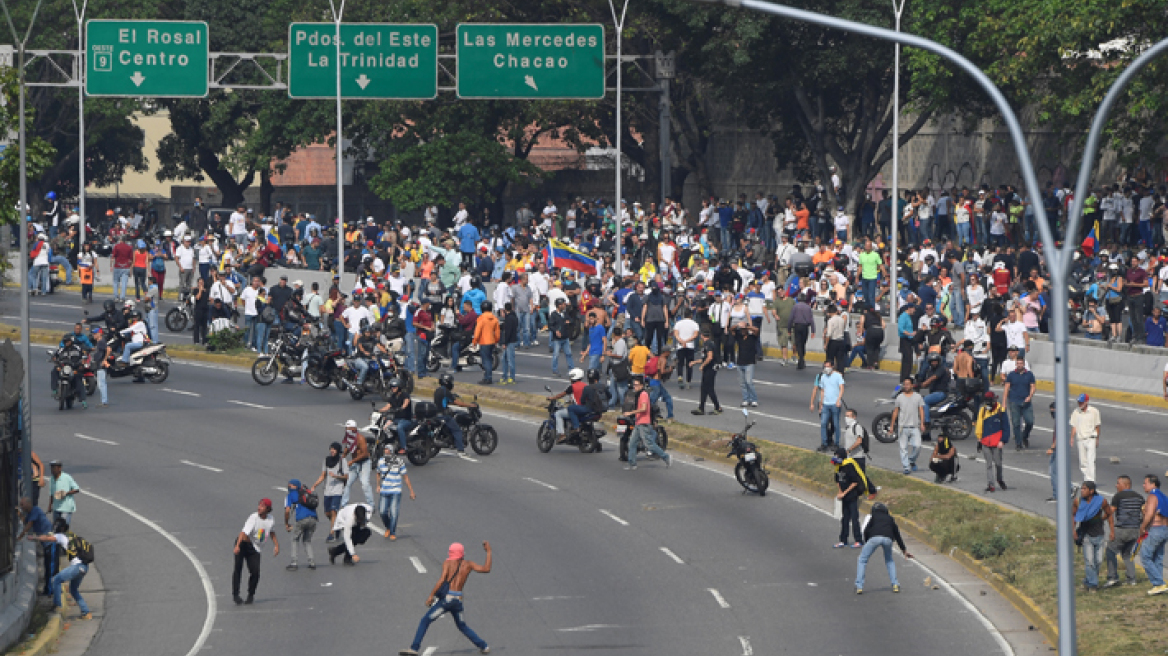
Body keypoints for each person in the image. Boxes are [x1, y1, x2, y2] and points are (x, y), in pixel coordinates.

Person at [401, 541, 492, 655]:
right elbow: (486, 569)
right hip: (458, 601)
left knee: (425, 621)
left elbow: (442, 580)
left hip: (446, 600)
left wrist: (431, 596)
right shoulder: (468, 564)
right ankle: (484, 646)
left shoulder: (448, 563)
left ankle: (414, 648)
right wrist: (488, 552)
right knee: (462, 626)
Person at [27, 518, 93, 619]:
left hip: (77, 567)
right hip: (84, 567)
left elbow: (48, 538)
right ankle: (86, 613)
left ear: (59, 527)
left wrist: (34, 537)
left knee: (56, 580)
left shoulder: (61, 536)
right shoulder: (72, 535)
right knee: (73, 590)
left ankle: (58, 606)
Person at [855, 503, 913, 595]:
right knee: (889, 560)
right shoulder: (890, 519)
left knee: (862, 559)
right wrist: (904, 550)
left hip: (874, 538)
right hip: (888, 539)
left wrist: (867, 542)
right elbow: (897, 534)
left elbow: (866, 530)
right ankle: (895, 584)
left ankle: (859, 586)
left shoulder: (873, 517)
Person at [232, 498, 279, 605]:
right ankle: (236, 595)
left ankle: (251, 594)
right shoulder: (253, 517)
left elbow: (272, 532)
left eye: (262, 506)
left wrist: (276, 545)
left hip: (255, 548)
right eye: (259, 505)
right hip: (243, 544)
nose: (259, 508)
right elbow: (243, 532)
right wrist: (237, 546)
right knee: (238, 569)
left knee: (255, 572)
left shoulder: (270, 519)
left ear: (267, 509)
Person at [624, 376, 672, 471]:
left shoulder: (644, 394)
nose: (635, 387)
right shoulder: (637, 394)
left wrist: (631, 412)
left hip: (644, 423)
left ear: (642, 385)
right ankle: (632, 463)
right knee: (632, 443)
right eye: (634, 385)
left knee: (649, 444)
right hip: (638, 422)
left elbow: (644, 408)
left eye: (637, 385)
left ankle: (666, 457)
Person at [1105, 475, 1144, 588]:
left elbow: (1110, 511)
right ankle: (1132, 579)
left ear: (1125, 485)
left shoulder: (1118, 496)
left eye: (1118, 483)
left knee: (1110, 551)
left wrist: (1100, 519)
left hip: (1122, 529)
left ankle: (1112, 578)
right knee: (1127, 554)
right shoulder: (1140, 497)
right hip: (1135, 530)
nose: (1116, 485)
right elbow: (1144, 512)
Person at [1073, 481, 1112, 592]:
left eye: (1084, 489)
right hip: (1086, 536)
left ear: (1091, 491)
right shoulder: (1078, 501)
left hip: (1099, 534)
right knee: (1089, 561)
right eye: (1081, 488)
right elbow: (1073, 515)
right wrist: (1073, 530)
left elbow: (1109, 513)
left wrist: (1111, 530)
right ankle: (1093, 585)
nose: (1082, 491)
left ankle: (1087, 581)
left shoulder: (1101, 501)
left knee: (1098, 561)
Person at [832, 447, 874, 548]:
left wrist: (844, 492)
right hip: (845, 497)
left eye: (837, 456)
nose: (835, 458)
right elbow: (837, 480)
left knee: (854, 518)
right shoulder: (838, 466)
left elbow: (855, 482)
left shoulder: (849, 466)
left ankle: (858, 540)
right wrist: (840, 491)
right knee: (844, 519)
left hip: (852, 496)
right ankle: (843, 540)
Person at [309, 442, 348, 536]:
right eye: (331, 449)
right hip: (327, 490)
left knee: (333, 511)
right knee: (327, 513)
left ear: (338, 450)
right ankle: (337, 525)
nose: (332, 451)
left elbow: (346, 476)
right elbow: (323, 475)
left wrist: (336, 476)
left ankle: (332, 533)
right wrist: (315, 485)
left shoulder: (342, 461)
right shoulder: (326, 460)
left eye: (334, 449)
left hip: (338, 490)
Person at [975, 391, 1011, 493]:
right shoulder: (983, 411)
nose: (988, 405)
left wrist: (1003, 441)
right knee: (989, 464)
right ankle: (991, 484)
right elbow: (979, 426)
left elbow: (1006, 427)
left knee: (998, 463)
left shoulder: (1001, 411)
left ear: (994, 400)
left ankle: (999, 479)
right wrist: (979, 440)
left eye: (989, 402)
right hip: (985, 442)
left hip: (997, 443)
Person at [375, 451, 415, 540]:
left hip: (396, 491)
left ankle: (392, 532)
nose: (386, 452)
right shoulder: (381, 461)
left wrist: (411, 491)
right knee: (382, 511)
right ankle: (388, 527)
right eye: (385, 450)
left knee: (394, 512)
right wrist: (378, 485)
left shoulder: (399, 461)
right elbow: (378, 473)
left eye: (388, 450)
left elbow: (405, 477)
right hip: (384, 490)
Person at [890, 378, 925, 475]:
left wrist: (922, 423)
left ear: (912, 385)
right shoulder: (899, 397)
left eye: (908, 384)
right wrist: (892, 426)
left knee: (917, 446)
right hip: (902, 427)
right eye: (905, 384)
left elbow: (921, 410)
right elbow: (895, 412)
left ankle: (911, 460)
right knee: (903, 448)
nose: (906, 386)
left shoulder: (918, 397)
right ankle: (906, 467)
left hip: (914, 426)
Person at [435, 373, 476, 454]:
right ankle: (460, 450)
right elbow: (458, 403)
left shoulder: (438, 390)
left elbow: (446, 401)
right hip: (444, 415)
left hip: (437, 413)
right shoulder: (446, 391)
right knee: (457, 431)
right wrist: (470, 405)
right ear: (447, 382)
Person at [1141, 474, 1168, 595]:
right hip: (1165, 528)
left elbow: (1150, 514)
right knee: (1158, 557)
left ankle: (1158, 583)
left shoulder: (1152, 496)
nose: (1143, 485)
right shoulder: (1163, 496)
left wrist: (1143, 527)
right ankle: (1159, 586)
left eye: (1145, 483)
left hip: (1156, 528)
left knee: (1145, 556)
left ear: (1152, 484)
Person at [1002, 355, 1035, 450]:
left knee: (1030, 422)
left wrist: (1030, 396)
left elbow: (1033, 386)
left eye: (1021, 363)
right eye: (1018, 363)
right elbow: (1006, 389)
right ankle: (1018, 443)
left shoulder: (1029, 374)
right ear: (1016, 364)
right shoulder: (1011, 375)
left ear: (1024, 364)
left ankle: (1024, 436)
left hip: (1026, 402)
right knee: (1016, 423)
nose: (1019, 365)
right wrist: (1004, 403)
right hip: (1014, 401)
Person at [283, 480, 317, 571]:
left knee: (295, 539)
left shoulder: (290, 495)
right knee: (307, 540)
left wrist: (286, 523)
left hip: (302, 519)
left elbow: (287, 511)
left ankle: (294, 563)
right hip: (313, 519)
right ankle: (312, 562)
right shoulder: (305, 493)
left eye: (290, 485)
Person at [811, 361, 845, 452]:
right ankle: (824, 443)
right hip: (825, 404)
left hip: (835, 404)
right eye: (825, 366)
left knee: (836, 424)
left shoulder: (838, 376)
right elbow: (822, 390)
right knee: (823, 423)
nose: (826, 368)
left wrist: (838, 400)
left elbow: (842, 388)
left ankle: (836, 444)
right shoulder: (823, 377)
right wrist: (821, 404)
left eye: (828, 366)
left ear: (832, 366)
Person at [1069, 393, 1102, 484]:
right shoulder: (1076, 412)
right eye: (1079, 402)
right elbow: (1074, 426)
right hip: (1080, 439)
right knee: (1083, 462)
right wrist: (1071, 438)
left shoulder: (1094, 411)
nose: (1080, 404)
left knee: (1090, 460)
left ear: (1086, 402)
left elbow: (1097, 426)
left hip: (1091, 438)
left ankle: (1091, 481)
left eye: (1081, 402)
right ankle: (1087, 478)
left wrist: (1097, 439)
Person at [340, 420, 372, 506]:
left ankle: (371, 505)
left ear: (354, 429)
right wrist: (343, 456)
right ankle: (344, 504)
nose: (347, 430)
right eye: (346, 428)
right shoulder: (350, 437)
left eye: (349, 428)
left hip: (364, 463)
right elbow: (348, 447)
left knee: (365, 484)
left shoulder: (360, 438)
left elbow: (365, 454)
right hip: (355, 463)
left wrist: (352, 461)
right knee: (347, 482)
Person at [471, 300, 500, 384]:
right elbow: (497, 333)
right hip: (492, 341)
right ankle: (488, 376)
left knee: (485, 360)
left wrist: (474, 341)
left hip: (484, 342)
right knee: (489, 360)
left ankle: (488, 378)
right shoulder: (494, 319)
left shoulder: (481, 318)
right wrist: (496, 341)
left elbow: (477, 331)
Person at [47, 460, 79, 525]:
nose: (53, 470)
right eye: (51, 468)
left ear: (60, 468)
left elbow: (76, 489)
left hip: (66, 507)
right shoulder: (51, 479)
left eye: (54, 468)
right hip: (56, 507)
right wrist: (50, 506)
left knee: (63, 527)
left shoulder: (67, 477)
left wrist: (65, 493)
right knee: (56, 527)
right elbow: (51, 494)